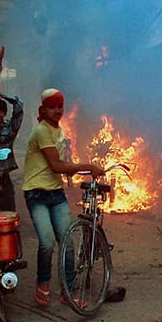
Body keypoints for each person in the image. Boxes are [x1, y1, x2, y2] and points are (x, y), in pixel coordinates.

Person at [22, 88, 104, 308]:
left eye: (60, 106)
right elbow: (56, 165)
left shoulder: (58, 132)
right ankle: (43, 283)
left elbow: (64, 167)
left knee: (67, 242)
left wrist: (76, 171)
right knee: (48, 242)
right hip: (36, 194)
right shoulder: (41, 131)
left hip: (56, 194)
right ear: (43, 110)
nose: (57, 110)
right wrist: (88, 166)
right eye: (52, 107)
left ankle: (68, 291)